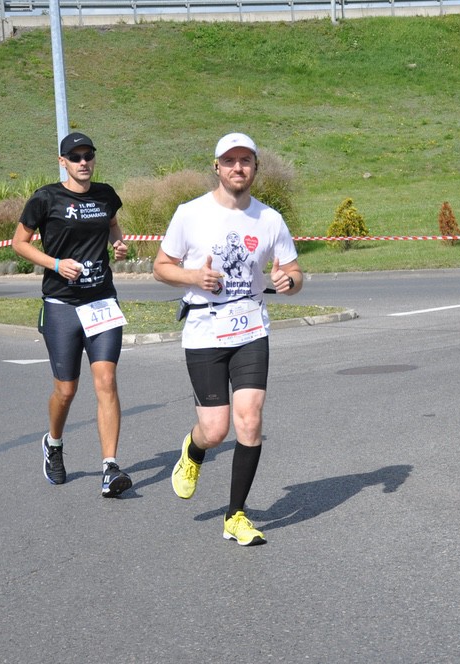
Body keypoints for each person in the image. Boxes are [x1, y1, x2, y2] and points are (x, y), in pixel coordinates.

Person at [153, 132, 303, 546]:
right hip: (204, 331)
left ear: (255, 167)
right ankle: (194, 449)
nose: (238, 168)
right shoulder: (190, 214)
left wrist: (288, 281)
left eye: (246, 161)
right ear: (217, 167)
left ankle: (235, 515)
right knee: (215, 430)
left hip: (251, 328)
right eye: (230, 161)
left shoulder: (269, 219)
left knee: (250, 418)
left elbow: (294, 272)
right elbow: (161, 266)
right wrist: (192, 276)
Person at [13, 132, 132, 497]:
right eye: (75, 157)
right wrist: (55, 264)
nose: (83, 162)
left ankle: (110, 468)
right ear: (62, 161)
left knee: (106, 380)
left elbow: (112, 225)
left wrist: (118, 243)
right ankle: (53, 442)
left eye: (88, 155)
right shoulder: (45, 198)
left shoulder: (105, 195)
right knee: (66, 390)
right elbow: (19, 243)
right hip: (62, 305)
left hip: (101, 302)